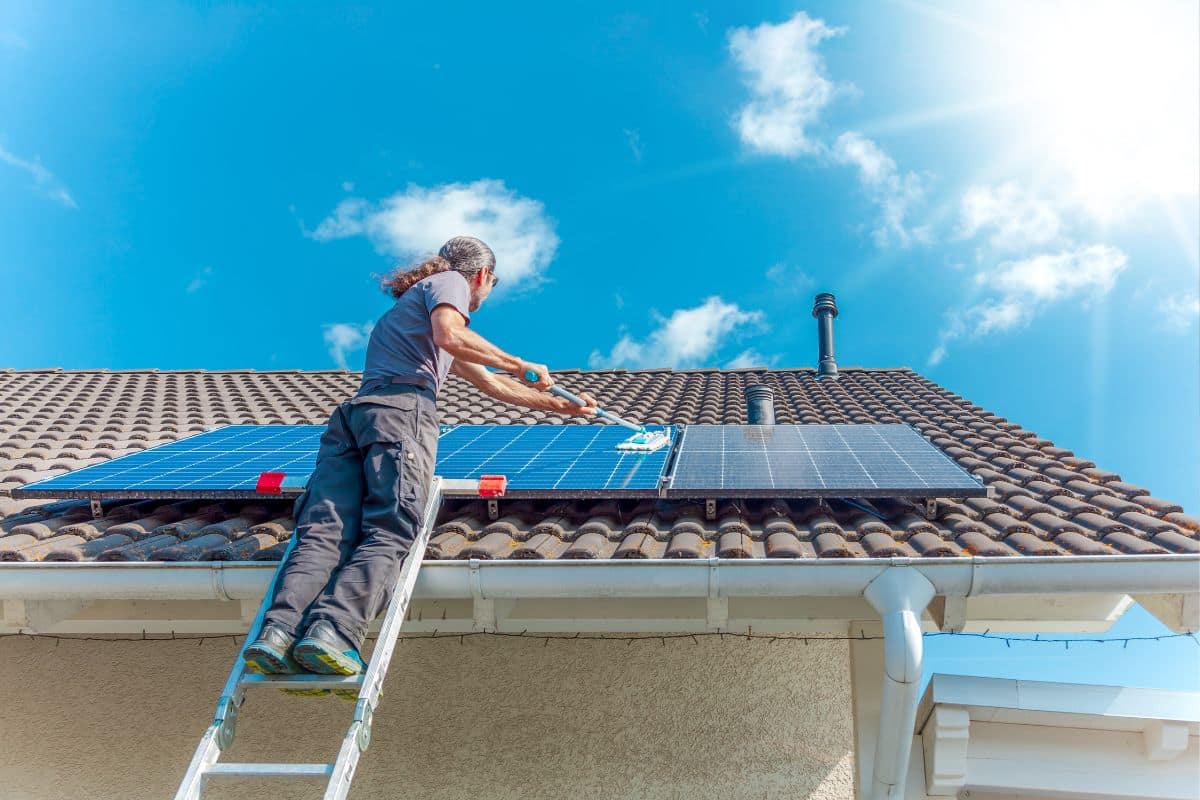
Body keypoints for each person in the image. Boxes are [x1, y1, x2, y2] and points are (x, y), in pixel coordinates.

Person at [243, 235, 597, 676]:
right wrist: (520, 361)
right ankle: (332, 631)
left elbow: (489, 383)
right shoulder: (450, 283)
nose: (483, 297)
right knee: (391, 528)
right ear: (483, 276)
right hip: (399, 414)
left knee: (325, 532)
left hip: (355, 418)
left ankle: (277, 633)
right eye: (489, 287)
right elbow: (453, 334)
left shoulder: (410, 311)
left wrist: (561, 406)